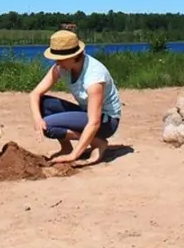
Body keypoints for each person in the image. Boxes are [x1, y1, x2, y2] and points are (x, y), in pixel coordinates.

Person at [28, 29, 122, 165]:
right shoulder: (61, 67)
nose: (56, 61)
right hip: (87, 113)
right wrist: (37, 120)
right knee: (43, 104)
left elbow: (94, 122)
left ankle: (99, 142)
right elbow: (34, 94)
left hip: (106, 122)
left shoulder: (94, 77)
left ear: (73, 56)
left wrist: (74, 156)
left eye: (59, 58)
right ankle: (66, 148)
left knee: (49, 126)